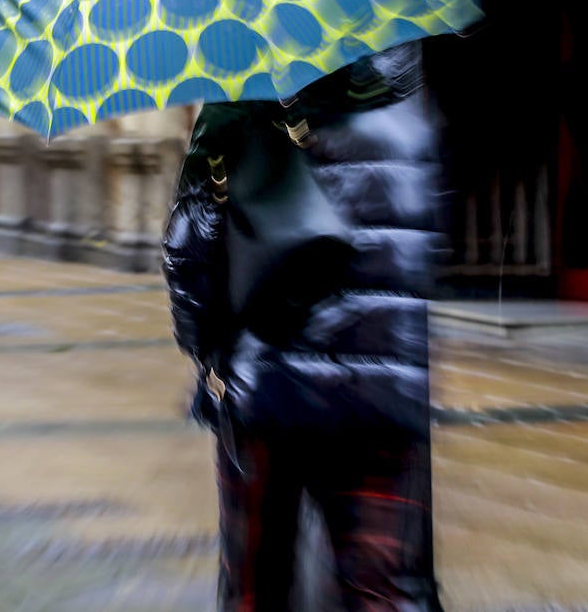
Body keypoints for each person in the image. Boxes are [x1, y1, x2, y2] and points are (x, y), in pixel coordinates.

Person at [162, 48, 444, 612]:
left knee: (254, 586)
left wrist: (205, 350)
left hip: (264, 390)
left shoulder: (239, 113)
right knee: (383, 588)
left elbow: (189, 264)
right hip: (383, 398)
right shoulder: (406, 125)